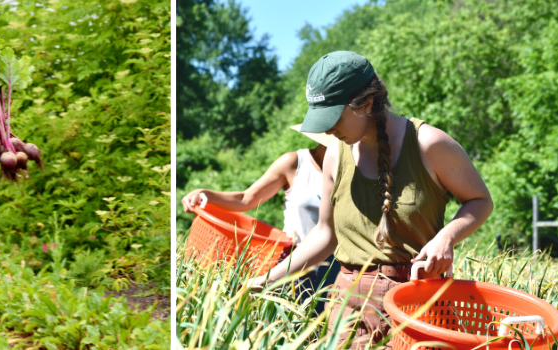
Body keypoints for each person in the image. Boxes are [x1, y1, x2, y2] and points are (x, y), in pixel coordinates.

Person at [247, 51, 493, 349]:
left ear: (367, 103)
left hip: (417, 302)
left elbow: (480, 200)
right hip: (348, 309)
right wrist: (267, 279)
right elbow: (325, 235)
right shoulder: (335, 156)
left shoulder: (429, 144)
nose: (327, 129)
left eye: (333, 117)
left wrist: (447, 238)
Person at [181, 126, 341, 315]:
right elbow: (246, 198)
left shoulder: (352, 171)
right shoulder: (295, 163)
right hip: (290, 263)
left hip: (334, 268)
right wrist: (205, 194)